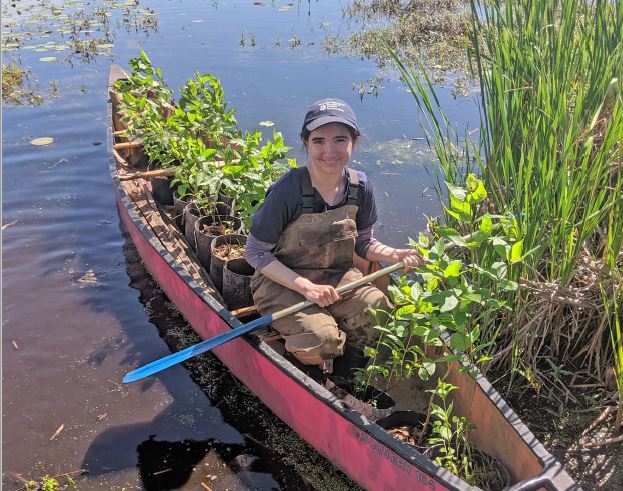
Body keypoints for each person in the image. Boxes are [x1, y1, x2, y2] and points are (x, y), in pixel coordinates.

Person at [244, 98, 423, 373]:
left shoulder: (360, 187)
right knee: (322, 339)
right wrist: (307, 288)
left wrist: (395, 254)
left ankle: (347, 370)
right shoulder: (288, 190)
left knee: (379, 310)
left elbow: (363, 243)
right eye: (319, 141)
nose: (329, 151)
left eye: (340, 140)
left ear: (355, 141)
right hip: (283, 283)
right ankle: (311, 362)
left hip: (337, 278)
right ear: (306, 143)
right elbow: (255, 252)